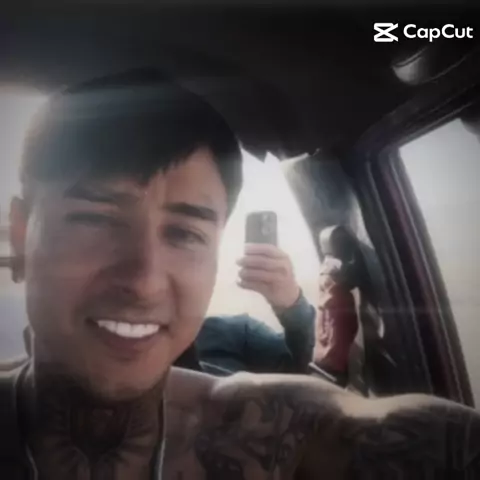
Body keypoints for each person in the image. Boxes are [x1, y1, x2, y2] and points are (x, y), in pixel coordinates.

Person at [1, 68, 479, 479]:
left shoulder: (276, 433)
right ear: (21, 236)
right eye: (96, 220)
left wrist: (297, 309)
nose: (144, 281)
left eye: (184, 233)